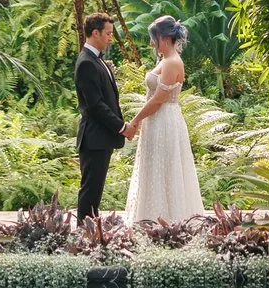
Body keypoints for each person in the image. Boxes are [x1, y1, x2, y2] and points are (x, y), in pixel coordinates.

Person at [123, 15, 205, 226]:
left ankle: (168, 221)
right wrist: (141, 122)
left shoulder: (172, 63)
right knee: (154, 168)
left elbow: (158, 99)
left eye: (154, 38)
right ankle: (151, 219)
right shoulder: (165, 61)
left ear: (164, 37)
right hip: (156, 121)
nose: (151, 43)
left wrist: (135, 120)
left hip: (164, 120)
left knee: (166, 168)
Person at [73, 13, 124, 228]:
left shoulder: (96, 60)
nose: (110, 38)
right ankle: (84, 235)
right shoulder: (86, 63)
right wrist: (121, 127)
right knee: (90, 191)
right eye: (108, 33)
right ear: (95, 33)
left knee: (95, 191)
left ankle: (90, 234)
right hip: (94, 137)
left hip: (101, 137)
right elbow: (95, 106)